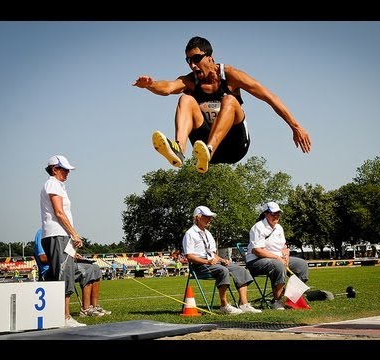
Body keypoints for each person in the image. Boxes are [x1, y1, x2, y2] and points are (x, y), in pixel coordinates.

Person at [132, 36, 311, 174]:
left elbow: (269, 96)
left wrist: (295, 126)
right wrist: (151, 84)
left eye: (196, 59)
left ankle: (209, 150)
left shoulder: (231, 75)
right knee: (185, 99)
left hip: (235, 145)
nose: (193, 65)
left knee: (229, 100)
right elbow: (168, 87)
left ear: (210, 57)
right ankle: (179, 149)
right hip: (202, 145)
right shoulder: (191, 80)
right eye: (188, 61)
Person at [182, 205, 262, 314]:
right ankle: (224, 305)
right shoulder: (190, 234)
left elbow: (212, 253)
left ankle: (244, 304)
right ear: (198, 217)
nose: (210, 219)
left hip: (212, 262)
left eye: (210, 217)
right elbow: (189, 256)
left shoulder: (207, 233)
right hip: (199, 266)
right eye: (207, 217)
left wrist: (222, 259)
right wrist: (208, 262)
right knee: (222, 270)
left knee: (240, 270)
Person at [39, 155, 86, 327]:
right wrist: (74, 234)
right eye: (64, 169)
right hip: (57, 234)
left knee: (66, 272)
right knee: (63, 274)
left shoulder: (58, 185)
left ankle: (60, 316)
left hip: (59, 235)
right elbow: (59, 212)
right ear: (54, 169)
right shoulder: (52, 184)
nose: (67, 173)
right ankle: (64, 317)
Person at [245, 201, 309, 310]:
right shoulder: (258, 227)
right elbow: (257, 251)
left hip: (277, 259)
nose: (276, 216)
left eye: (278, 214)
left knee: (301, 265)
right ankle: (277, 301)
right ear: (266, 214)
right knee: (278, 264)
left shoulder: (279, 228)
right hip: (256, 261)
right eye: (273, 214)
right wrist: (278, 258)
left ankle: (292, 299)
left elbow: (283, 246)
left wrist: (286, 255)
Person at [34, 228, 111, 317]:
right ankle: (85, 309)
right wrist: (67, 257)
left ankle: (94, 306)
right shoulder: (42, 233)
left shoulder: (61, 232)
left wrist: (73, 255)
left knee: (96, 268)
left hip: (65, 265)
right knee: (88, 269)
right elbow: (42, 258)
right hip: (50, 271)